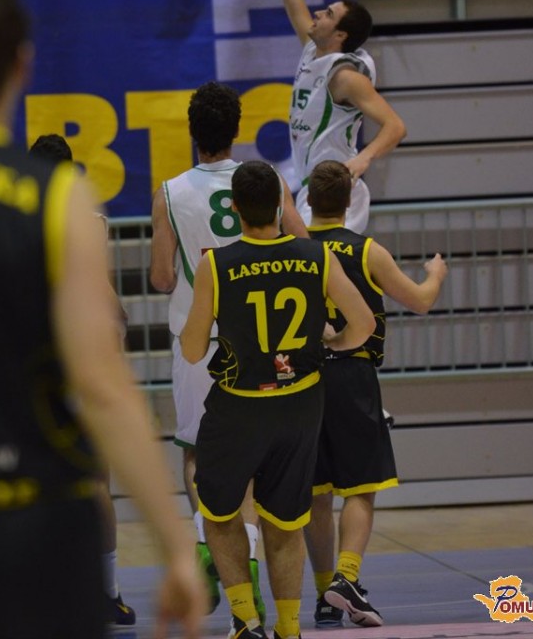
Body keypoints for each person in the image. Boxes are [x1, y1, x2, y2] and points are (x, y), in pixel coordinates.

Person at [0, 0, 207, 639]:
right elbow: (101, 385)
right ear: (22, 65)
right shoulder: (59, 199)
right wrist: (176, 546)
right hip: (36, 513)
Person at [180, 159, 377, 639]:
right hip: (300, 404)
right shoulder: (316, 256)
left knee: (220, 514)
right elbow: (364, 324)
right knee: (287, 521)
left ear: (234, 207)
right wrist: (332, 344)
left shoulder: (216, 265)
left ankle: (246, 620)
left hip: (240, 405)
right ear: (281, 205)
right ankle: (289, 629)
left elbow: (191, 350)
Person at [150, 80, 308, 621]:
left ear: (192, 132)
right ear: (237, 130)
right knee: (257, 463)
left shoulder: (169, 192)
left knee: (199, 452)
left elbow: (162, 276)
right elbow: (301, 244)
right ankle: (253, 568)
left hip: (199, 341)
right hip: (261, 336)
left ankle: (207, 548)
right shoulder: (266, 183)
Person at [305, 159, 448, 628]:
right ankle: (346, 577)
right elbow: (421, 301)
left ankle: (325, 595)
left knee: (316, 494)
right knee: (361, 487)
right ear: (349, 202)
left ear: (309, 200)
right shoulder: (366, 251)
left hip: (303, 379)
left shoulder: (294, 249)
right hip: (352, 375)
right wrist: (436, 273)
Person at [29, 132, 136, 627]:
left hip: (32, 364)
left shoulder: (14, 216)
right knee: (96, 483)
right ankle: (106, 592)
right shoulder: (88, 218)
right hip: (82, 359)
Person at [280, 0, 406, 232]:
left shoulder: (345, 77)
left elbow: (395, 126)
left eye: (329, 14)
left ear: (340, 35)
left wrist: (363, 159)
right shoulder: (312, 49)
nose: (318, 13)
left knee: (324, 265)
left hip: (337, 191)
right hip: (314, 189)